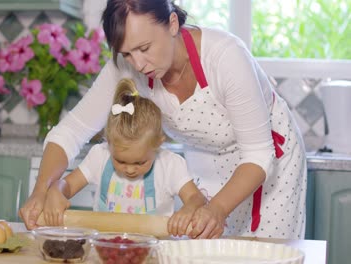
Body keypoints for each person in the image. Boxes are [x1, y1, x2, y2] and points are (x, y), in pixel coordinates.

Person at [19, 0, 307, 240]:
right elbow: (71, 130)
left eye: (144, 48)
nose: (138, 64)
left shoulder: (225, 57)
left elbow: (258, 154)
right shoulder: (127, 66)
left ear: (172, 24)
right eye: (127, 53)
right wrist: (42, 190)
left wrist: (217, 208)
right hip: (206, 165)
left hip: (266, 167)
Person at [41, 78, 206, 236]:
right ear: (109, 145)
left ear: (158, 144)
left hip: (153, 252)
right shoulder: (100, 156)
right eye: (120, 161)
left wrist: (188, 209)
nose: (130, 169)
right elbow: (67, 185)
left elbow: (196, 197)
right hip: (105, 249)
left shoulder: (170, 165)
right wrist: (56, 190)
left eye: (140, 162)